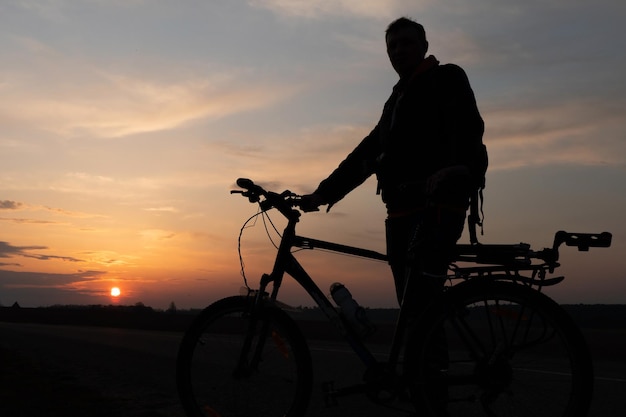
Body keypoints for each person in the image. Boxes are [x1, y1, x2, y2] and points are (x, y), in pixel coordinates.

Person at [302, 16, 484, 312]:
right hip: (399, 209)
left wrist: (456, 168)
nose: (398, 50)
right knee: (411, 303)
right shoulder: (397, 98)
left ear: (424, 46)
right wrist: (324, 193)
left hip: (435, 207)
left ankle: (431, 359)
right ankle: (421, 358)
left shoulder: (446, 77)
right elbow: (368, 151)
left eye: (407, 43)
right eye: (392, 46)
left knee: (420, 303)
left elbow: (469, 127)